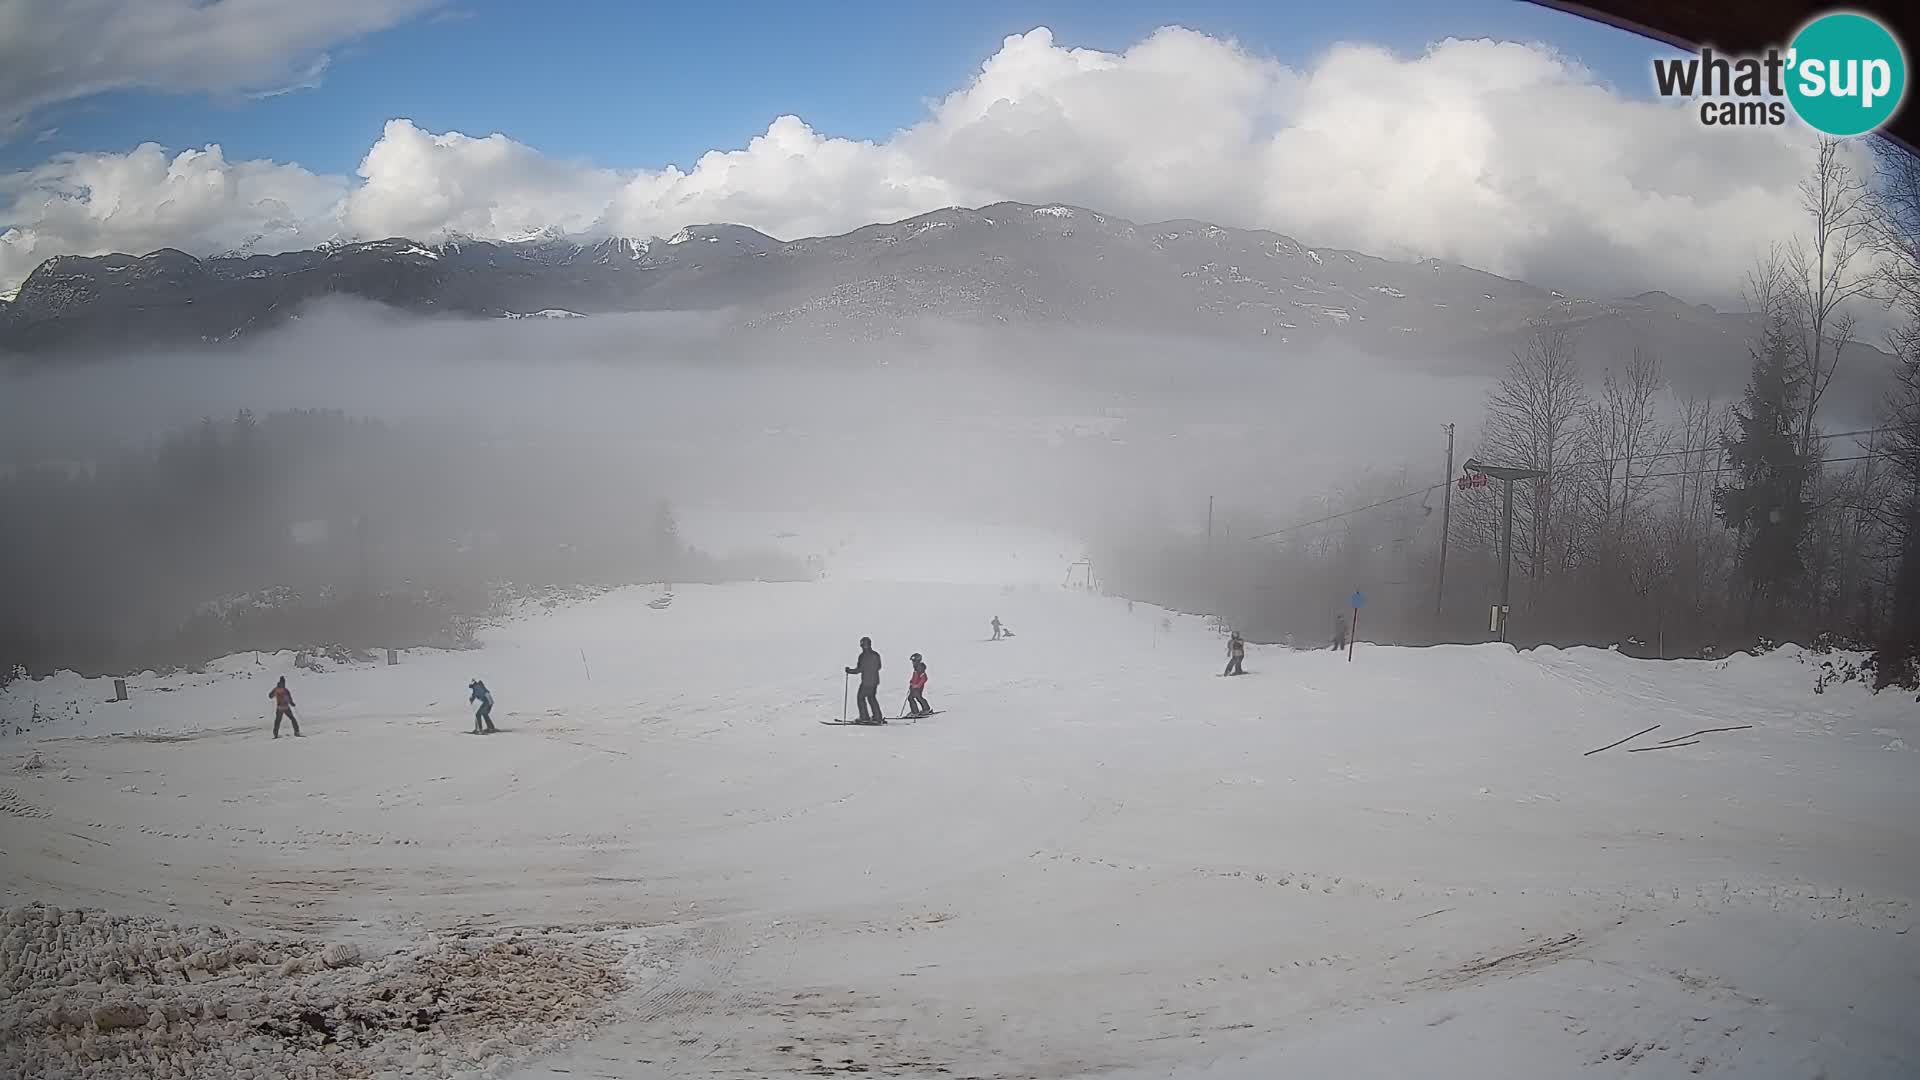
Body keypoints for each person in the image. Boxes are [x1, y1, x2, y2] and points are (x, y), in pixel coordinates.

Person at [845, 637, 882, 723]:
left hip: (866, 681)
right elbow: (879, 666)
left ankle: (864, 717)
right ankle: (877, 717)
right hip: (874, 681)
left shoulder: (863, 656)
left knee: (860, 698)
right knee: (871, 698)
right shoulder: (875, 654)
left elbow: (859, 669)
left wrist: (849, 671)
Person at [906, 652, 931, 717]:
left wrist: (917, 685)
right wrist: (911, 682)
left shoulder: (919, 668)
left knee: (911, 698)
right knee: (918, 697)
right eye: (912, 661)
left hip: (917, 687)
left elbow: (924, 678)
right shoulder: (916, 667)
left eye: (913, 661)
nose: (912, 662)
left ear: (917, 661)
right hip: (915, 687)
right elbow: (915, 677)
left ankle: (915, 712)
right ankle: (926, 709)